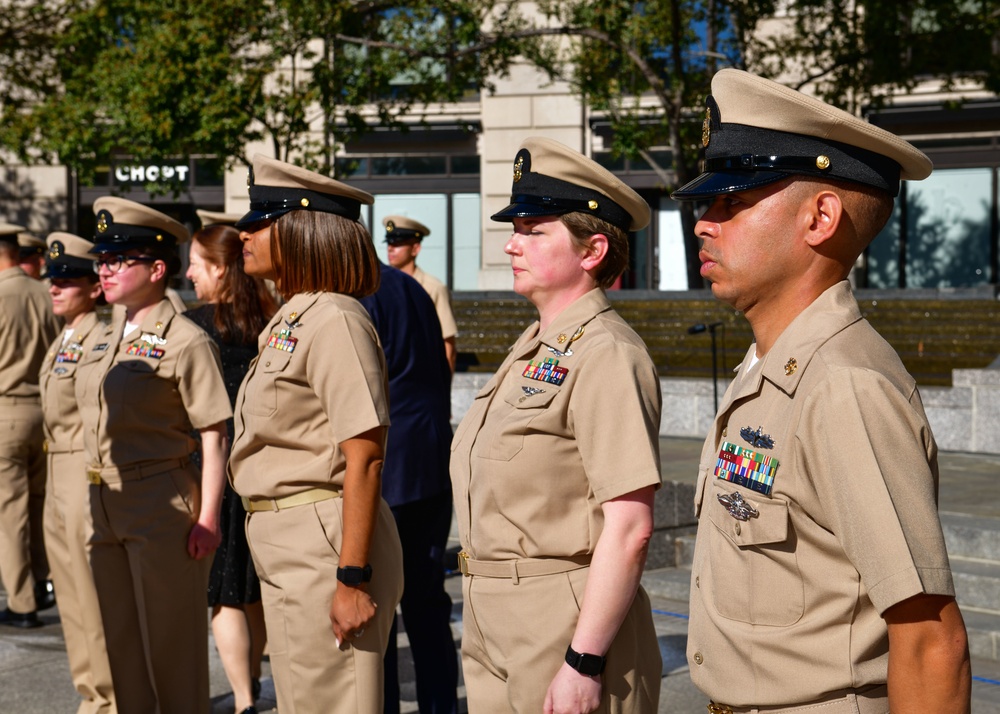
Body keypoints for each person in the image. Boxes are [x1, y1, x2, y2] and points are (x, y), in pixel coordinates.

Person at [672, 68, 971, 713]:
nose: (704, 222)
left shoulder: (844, 386)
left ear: (821, 217)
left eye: (733, 201)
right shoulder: (774, 367)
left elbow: (929, 640)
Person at [449, 137, 662, 713]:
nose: (512, 243)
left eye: (534, 230)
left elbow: (630, 525)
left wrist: (584, 660)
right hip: (494, 611)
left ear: (593, 249)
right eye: (515, 227)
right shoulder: (537, 346)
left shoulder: (607, 352)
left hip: (561, 617)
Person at [229, 155, 404, 713]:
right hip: (289, 539)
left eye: (261, 220)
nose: (244, 232)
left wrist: (352, 577)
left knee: (332, 702)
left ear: (302, 230)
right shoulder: (295, 315)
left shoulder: (334, 319)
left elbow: (367, 456)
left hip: (322, 539)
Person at [75, 197, 231, 713]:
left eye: (119, 260)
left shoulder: (185, 340)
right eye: (102, 261)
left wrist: (209, 517)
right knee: (120, 649)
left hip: (162, 500)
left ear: (157, 268)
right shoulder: (103, 337)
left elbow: (214, 431)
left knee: (172, 650)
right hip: (104, 500)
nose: (106, 270)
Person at [186, 218, 278, 714]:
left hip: (211, 470)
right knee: (255, 585)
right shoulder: (271, 319)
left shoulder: (194, 326)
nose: (189, 274)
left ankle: (244, 700)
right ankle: (260, 682)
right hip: (260, 468)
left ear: (221, 270)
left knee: (224, 592)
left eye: (198, 265)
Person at [359, 264, 458, 714]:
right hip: (430, 456)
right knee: (426, 599)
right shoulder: (413, 288)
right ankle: (439, 704)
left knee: (375, 607)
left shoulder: (359, 294)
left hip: (388, 466)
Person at [38, 232, 116, 713]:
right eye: (53, 279)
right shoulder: (64, 336)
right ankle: (89, 691)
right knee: (69, 596)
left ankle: (108, 697)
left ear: (93, 288)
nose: (56, 287)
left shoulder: (99, 337)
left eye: (68, 279)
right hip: (55, 472)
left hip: (81, 470)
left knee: (93, 599)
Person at [0, 221, 61, 629]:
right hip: (45, 410)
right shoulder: (46, 292)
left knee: (10, 512)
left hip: (6, 411)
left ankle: (21, 601)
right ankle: (42, 582)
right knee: (39, 505)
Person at [383, 215, 458, 373]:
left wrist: (442, 390)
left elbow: (447, 344)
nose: (390, 248)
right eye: (389, 243)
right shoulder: (380, 286)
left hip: (421, 376)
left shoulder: (433, 288)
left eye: (398, 243)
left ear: (415, 249)